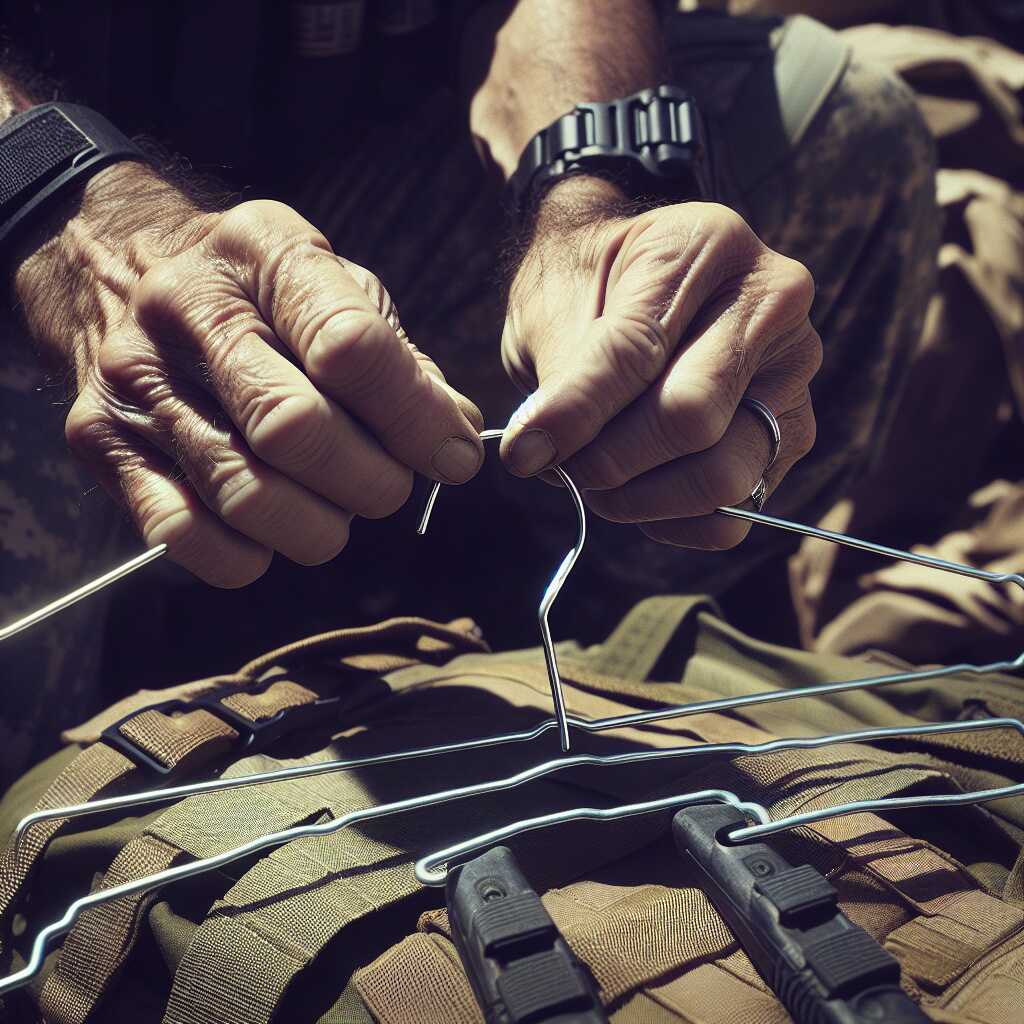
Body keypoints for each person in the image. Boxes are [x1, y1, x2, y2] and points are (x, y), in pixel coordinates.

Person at [0, 0, 938, 782]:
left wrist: (593, 201)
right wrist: (68, 219)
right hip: (34, 232)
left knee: (847, 124)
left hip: (375, 189)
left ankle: (613, 671)